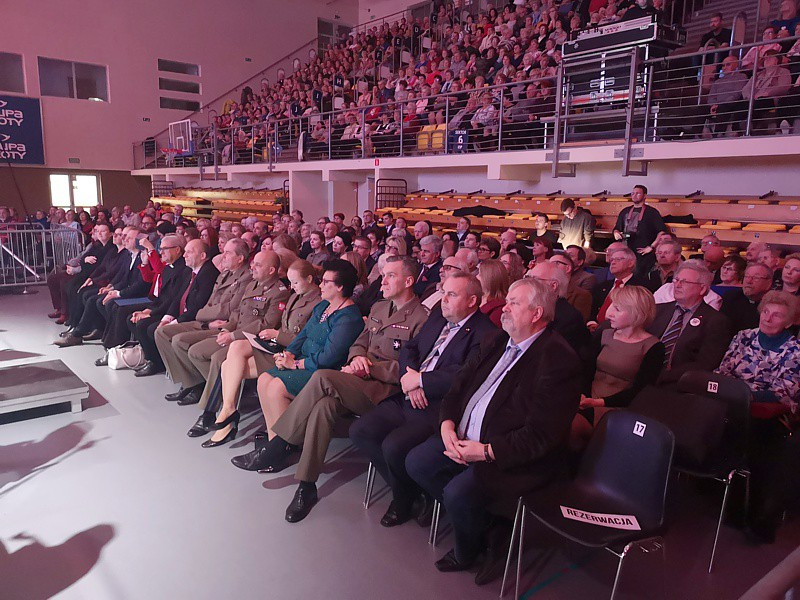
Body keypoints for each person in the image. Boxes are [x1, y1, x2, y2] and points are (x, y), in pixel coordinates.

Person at [406, 278, 581, 585]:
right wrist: (447, 423)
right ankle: (485, 523)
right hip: (464, 438)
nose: (504, 308)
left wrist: (485, 452)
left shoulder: (558, 359)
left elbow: (542, 436)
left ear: (537, 313)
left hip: (511, 455)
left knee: (457, 493)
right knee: (417, 463)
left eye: (514, 303)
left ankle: (470, 549)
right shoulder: (497, 340)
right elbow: (458, 388)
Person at [237, 256, 429, 523]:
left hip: (384, 392)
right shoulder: (379, 307)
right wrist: (356, 358)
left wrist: (368, 367)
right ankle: (306, 486)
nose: (382, 281)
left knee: (322, 378)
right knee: (322, 407)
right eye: (383, 275)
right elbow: (359, 343)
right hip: (354, 379)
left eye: (390, 276)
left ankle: (279, 445)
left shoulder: (422, 318)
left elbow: (409, 370)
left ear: (408, 281)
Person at [350, 272, 498, 528]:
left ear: (473, 300)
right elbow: (411, 348)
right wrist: (411, 378)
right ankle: (410, 491)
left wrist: (422, 382)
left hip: (438, 406)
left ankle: (403, 499)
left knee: (394, 446)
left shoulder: (486, 333)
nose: (444, 299)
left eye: (452, 294)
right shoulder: (440, 316)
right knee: (361, 430)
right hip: (409, 393)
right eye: (444, 292)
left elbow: (466, 376)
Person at [206, 260, 364, 447]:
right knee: (264, 379)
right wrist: (288, 354)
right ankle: (273, 439)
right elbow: (303, 335)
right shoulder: (323, 307)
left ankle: (284, 444)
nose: (321, 285)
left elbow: (328, 358)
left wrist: (294, 363)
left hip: (320, 370)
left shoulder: (349, 317)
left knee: (276, 387)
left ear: (340, 287)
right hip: (301, 360)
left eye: (326, 282)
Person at [188, 259, 322, 437]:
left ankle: (224, 414)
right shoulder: (296, 295)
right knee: (234, 351)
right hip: (276, 345)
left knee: (227, 363)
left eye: (295, 282)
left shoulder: (318, 303)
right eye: (290, 281)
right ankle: (227, 410)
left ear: (310, 279)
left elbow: (307, 339)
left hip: (290, 352)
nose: (292, 286)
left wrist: (276, 335)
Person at [154, 238, 254, 395]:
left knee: (179, 340)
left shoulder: (246, 277)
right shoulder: (225, 274)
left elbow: (228, 309)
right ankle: (190, 382)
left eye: (227, 253)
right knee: (162, 332)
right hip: (206, 320)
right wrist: (204, 315)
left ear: (240, 258)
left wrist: (201, 314)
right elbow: (211, 302)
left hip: (222, 325)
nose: (223, 255)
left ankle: (199, 386)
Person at [570, 286, 664, 448]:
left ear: (637, 313)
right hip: (588, 401)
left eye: (617, 309)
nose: (609, 313)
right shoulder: (603, 334)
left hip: (620, 408)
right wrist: (583, 396)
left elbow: (640, 391)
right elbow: (586, 372)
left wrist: (597, 402)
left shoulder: (653, 347)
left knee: (568, 427)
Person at [129, 239, 219, 376]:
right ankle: (157, 362)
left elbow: (197, 306)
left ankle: (174, 370)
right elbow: (177, 298)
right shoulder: (190, 271)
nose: (185, 255)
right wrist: (167, 318)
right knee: (142, 323)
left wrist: (173, 322)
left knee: (152, 328)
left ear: (202, 256)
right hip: (179, 314)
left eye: (189, 252)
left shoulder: (208, 273)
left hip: (194, 318)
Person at [646, 260, 732, 385]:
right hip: (644, 375)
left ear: (702, 289)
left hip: (678, 384)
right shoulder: (658, 310)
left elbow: (705, 363)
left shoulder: (716, 321)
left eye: (684, 282)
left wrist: (661, 376)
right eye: (676, 280)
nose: (678, 285)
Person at [717, 291, 800, 408]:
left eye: (776, 315)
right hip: (730, 398)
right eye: (765, 312)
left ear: (789, 323)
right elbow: (723, 371)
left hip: (765, 409)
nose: (767, 319)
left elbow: (782, 394)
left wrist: (743, 395)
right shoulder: (744, 336)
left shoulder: (795, 351)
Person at [528, 262, 590, 355]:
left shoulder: (568, 318)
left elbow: (549, 356)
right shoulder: (529, 307)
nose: (528, 284)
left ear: (553, 286)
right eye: (528, 278)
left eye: (534, 279)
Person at [612, 185, 667, 276]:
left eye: (638, 193)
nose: (634, 195)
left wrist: (651, 247)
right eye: (633, 193)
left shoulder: (652, 212)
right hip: (626, 251)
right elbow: (617, 228)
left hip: (643, 255)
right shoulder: (625, 211)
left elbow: (661, 232)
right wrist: (616, 233)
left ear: (645, 196)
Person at [589, 247, 649, 326]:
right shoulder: (602, 286)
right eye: (612, 260)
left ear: (630, 263)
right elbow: (592, 309)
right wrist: (591, 323)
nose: (613, 263)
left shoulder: (640, 287)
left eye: (618, 259)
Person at [721, 262, 775, 332]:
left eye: (756, 278)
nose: (749, 281)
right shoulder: (731, 297)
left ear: (769, 283)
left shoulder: (774, 303)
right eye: (747, 276)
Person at [476, 259, 508, 328]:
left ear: (489, 279)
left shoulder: (499, 310)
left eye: (480, 274)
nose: (476, 277)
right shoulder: (476, 298)